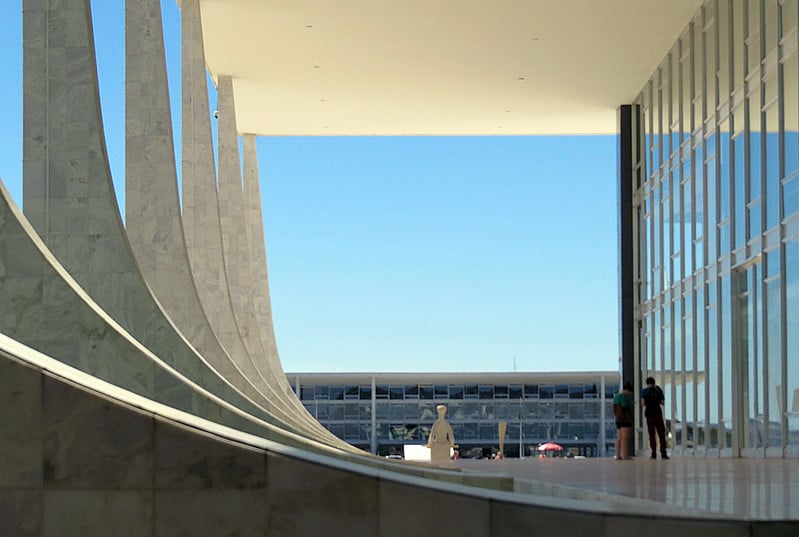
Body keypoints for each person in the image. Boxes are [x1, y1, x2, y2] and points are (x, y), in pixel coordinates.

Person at [641, 377, 669, 459]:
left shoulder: (644, 391)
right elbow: (662, 402)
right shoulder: (658, 389)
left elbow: (642, 403)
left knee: (652, 434)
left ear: (647, 383)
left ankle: (654, 453)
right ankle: (663, 453)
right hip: (658, 413)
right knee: (661, 434)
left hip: (649, 414)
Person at [612, 382, 634, 460]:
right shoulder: (624, 396)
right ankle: (625, 455)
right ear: (627, 390)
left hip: (618, 420)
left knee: (619, 438)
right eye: (629, 392)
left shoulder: (616, 396)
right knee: (625, 438)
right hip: (625, 420)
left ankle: (618, 455)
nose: (629, 394)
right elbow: (625, 406)